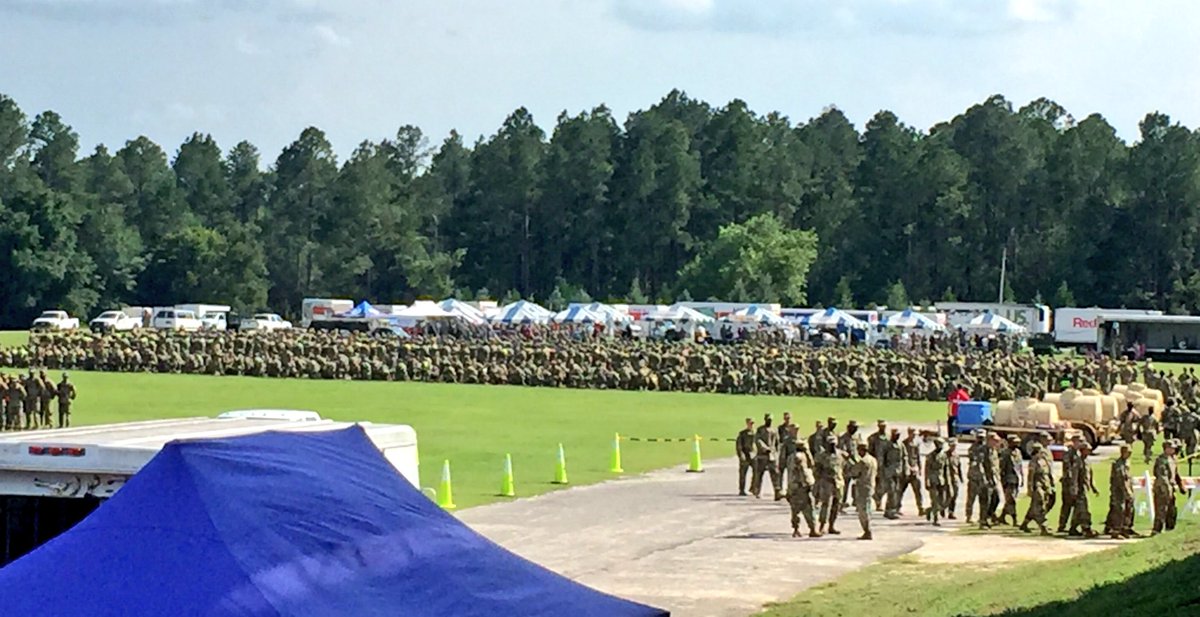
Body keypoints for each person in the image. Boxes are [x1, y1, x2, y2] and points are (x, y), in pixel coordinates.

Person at [1019, 436, 1054, 536]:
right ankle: (1044, 526)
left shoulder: (1044, 460)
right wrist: (1029, 488)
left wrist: (1050, 484)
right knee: (1039, 506)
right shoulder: (1033, 462)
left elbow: (1048, 473)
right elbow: (1030, 476)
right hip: (1037, 486)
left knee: (1034, 506)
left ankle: (1025, 523)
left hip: (1045, 485)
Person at [1152, 440, 1186, 535]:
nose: (1173, 450)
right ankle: (1157, 530)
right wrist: (1167, 489)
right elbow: (1162, 476)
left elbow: (1176, 474)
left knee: (1172, 510)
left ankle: (1170, 529)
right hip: (1162, 488)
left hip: (1171, 487)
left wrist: (1181, 485)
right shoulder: (1161, 460)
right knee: (1161, 509)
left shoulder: (1173, 459)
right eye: (1171, 448)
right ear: (1166, 448)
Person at [787, 439, 820, 538]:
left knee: (795, 509)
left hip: (793, 486)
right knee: (808, 507)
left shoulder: (790, 457)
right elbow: (804, 471)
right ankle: (812, 529)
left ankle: (796, 529)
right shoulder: (800, 457)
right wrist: (808, 484)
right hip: (801, 486)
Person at [1068, 442, 1100, 538]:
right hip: (1080, 490)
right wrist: (1074, 490)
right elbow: (1074, 477)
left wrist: (1094, 487)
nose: (1089, 451)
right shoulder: (1078, 462)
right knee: (1084, 509)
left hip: (1086, 488)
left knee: (1078, 510)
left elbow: (1090, 476)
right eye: (1087, 450)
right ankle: (1086, 528)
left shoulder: (1088, 462)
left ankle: (1073, 528)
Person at [815, 434, 845, 535]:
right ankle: (822, 526)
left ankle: (832, 526)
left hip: (838, 482)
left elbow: (845, 466)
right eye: (830, 444)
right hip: (826, 483)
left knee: (836, 505)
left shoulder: (841, 454)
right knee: (826, 505)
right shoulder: (821, 456)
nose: (832, 446)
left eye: (833, 444)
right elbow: (817, 470)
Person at [1104, 444, 1135, 539]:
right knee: (1118, 510)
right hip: (1118, 491)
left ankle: (1124, 528)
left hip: (1125, 490)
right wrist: (1127, 492)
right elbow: (1121, 480)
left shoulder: (1126, 463)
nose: (1129, 454)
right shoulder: (1118, 464)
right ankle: (1115, 530)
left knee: (1128, 509)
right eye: (1127, 452)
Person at [849, 440, 878, 540]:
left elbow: (854, 473)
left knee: (863, 511)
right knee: (867, 508)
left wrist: (850, 462)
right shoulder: (873, 460)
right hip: (871, 485)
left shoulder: (862, 462)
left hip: (862, 487)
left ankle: (867, 530)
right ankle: (867, 530)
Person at [751, 413, 781, 500]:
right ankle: (757, 491)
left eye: (770, 420)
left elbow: (777, 443)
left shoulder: (774, 430)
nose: (769, 421)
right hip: (762, 455)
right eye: (768, 420)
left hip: (772, 456)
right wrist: (764, 448)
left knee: (775, 474)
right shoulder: (760, 430)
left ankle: (777, 492)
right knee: (759, 474)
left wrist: (776, 453)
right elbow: (758, 440)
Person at [1057, 435, 1081, 533]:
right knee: (1067, 505)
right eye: (1079, 441)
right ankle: (1062, 525)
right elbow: (1068, 469)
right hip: (1068, 483)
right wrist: (1072, 484)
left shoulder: (1078, 454)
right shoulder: (1069, 454)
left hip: (1075, 483)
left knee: (1076, 505)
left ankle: (1072, 526)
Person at [999, 435, 1024, 526]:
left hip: (1016, 479)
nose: (1017, 444)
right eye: (1014, 442)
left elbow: (1020, 466)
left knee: (1010, 500)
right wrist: (1003, 481)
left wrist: (1022, 478)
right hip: (1008, 480)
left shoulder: (1018, 452)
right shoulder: (1005, 453)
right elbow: (1001, 468)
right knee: (1011, 500)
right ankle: (1015, 519)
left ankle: (1002, 517)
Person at [924, 438, 949, 526]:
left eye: (942, 444)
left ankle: (929, 510)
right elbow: (927, 470)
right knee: (935, 500)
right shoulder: (930, 456)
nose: (941, 446)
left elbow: (946, 469)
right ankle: (936, 519)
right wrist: (926, 481)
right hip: (933, 480)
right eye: (940, 444)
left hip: (942, 480)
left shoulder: (944, 456)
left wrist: (948, 482)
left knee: (943, 501)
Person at [882, 428, 905, 519]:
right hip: (889, 471)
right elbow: (882, 458)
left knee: (897, 490)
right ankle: (890, 511)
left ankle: (892, 509)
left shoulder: (901, 444)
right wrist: (883, 470)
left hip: (898, 470)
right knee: (891, 491)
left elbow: (904, 457)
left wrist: (905, 469)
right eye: (896, 434)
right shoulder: (887, 445)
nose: (898, 436)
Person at [965, 430, 987, 524]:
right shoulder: (972, 448)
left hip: (983, 477)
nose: (980, 439)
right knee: (971, 498)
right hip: (974, 476)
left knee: (983, 499)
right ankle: (969, 516)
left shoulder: (986, 448)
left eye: (982, 437)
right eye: (979, 437)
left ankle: (982, 517)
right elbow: (973, 459)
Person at [867, 419, 888, 512]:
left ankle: (879, 498)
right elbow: (869, 452)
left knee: (884, 485)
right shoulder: (873, 438)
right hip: (875, 464)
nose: (882, 428)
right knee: (874, 484)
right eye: (881, 426)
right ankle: (878, 503)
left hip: (885, 465)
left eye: (884, 426)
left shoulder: (889, 437)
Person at [736, 418, 755, 496]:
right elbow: (739, 446)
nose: (751, 425)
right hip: (745, 454)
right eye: (750, 423)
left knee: (757, 473)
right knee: (743, 474)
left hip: (753, 455)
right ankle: (742, 489)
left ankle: (753, 488)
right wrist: (741, 455)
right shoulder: (742, 434)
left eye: (752, 423)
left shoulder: (755, 433)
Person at [777, 412, 796, 490]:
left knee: (790, 471)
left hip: (790, 451)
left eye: (788, 418)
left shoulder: (793, 427)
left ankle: (789, 488)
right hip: (783, 450)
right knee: (781, 470)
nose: (787, 419)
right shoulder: (780, 428)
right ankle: (780, 487)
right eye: (786, 418)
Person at [944, 440, 961, 519]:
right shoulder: (944, 455)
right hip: (946, 478)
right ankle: (943, 508)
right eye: (952, 445)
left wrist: (961, 477)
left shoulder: (957, 455)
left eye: (954, 445)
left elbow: (958, 467)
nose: (953, 447)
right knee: (947, 495)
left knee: (954, 495)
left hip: (955, 478)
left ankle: (951, 512)